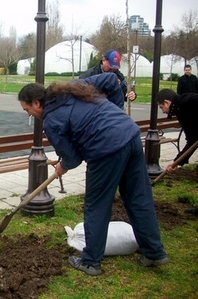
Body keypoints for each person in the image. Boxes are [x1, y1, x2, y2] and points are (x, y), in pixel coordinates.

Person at [18, 81, 168, 276]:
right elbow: (108, 79)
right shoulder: (71, 93)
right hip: (130, 135)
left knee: (97, 204)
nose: (28, 113)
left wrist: (62, 166)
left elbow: (72, 158)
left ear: (37, 103)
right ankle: (154, 252)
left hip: (105, 149)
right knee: (139, 198)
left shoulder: (51, 120)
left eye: (27, 108)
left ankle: (90, 262)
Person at [156, 89, 198, 173]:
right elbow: (192, 140)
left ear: (167, 103)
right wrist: (177, 162)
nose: (163, 111)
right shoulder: (180, 111)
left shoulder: (186, 101)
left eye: (161, 107)